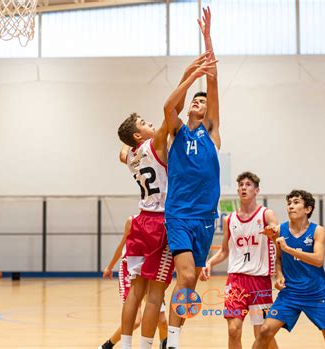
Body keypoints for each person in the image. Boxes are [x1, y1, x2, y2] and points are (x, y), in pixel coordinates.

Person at [163, 7, 219, 349]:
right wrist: (188, 74)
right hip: (180, 213)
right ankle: (172, 343)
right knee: (185, 275)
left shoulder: (212, 133)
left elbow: (213, 83)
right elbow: (168, 106)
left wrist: (208, 39)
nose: (199, 102)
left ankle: (173, 333)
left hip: (205, 218)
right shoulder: (177, 131)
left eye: (202, 101)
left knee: (190, 283)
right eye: (194, 100)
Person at [253, 190, 325, 349]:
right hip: (290, 293)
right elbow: (279, 258)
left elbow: (318, 260)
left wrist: (289, 249)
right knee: (265, 330)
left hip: (316, 294)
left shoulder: (317, 231)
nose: (291, 206)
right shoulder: (280, 230)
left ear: (307, 209)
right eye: (289, 203)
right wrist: (279, 275)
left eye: (296, 203)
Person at [200, 172, 279, 349]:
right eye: (241, 184)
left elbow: (279, 239)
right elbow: (224, 251)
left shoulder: (266, 214)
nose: (244, 187)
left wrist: (274, 234)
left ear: (257, 190)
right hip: (236, 282)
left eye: (248, 184)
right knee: (233, 330)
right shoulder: (230, 219)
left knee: (263, 334)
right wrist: (209, 263)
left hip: (260, 282)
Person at [116, 113, 173, 349]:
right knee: (155, 296)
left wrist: (132, 133)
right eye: (143, 123)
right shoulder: (156, 142)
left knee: (135, 293)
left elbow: (122, 152)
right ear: (138, 135)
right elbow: (171, 114)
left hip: (140, 221)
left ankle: (127, 346)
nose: (149, 122)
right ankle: (145, 347)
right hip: (160, 223)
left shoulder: (130, 155)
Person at [99, 217, 168, 349]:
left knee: (162, 321)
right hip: (130, 269)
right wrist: (110, 266)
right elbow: (121, 246)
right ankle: (107, 345)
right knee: (135, 322)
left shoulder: (165, 222)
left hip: (152, 270)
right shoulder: (133, 221)